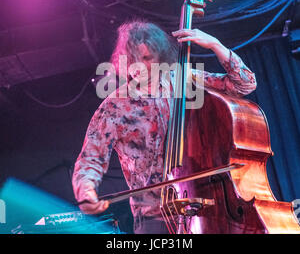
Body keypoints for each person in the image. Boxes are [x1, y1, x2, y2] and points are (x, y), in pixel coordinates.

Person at [72, 20, 257, 234]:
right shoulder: (114, 106)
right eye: (132, 60)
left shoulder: (182, 79)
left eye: (146, 58)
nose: (138, 67)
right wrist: (85, 192)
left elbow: (244, 85)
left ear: (161, 56)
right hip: (155, 216)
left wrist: (216, 45)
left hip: (206, 205)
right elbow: (91, 159)